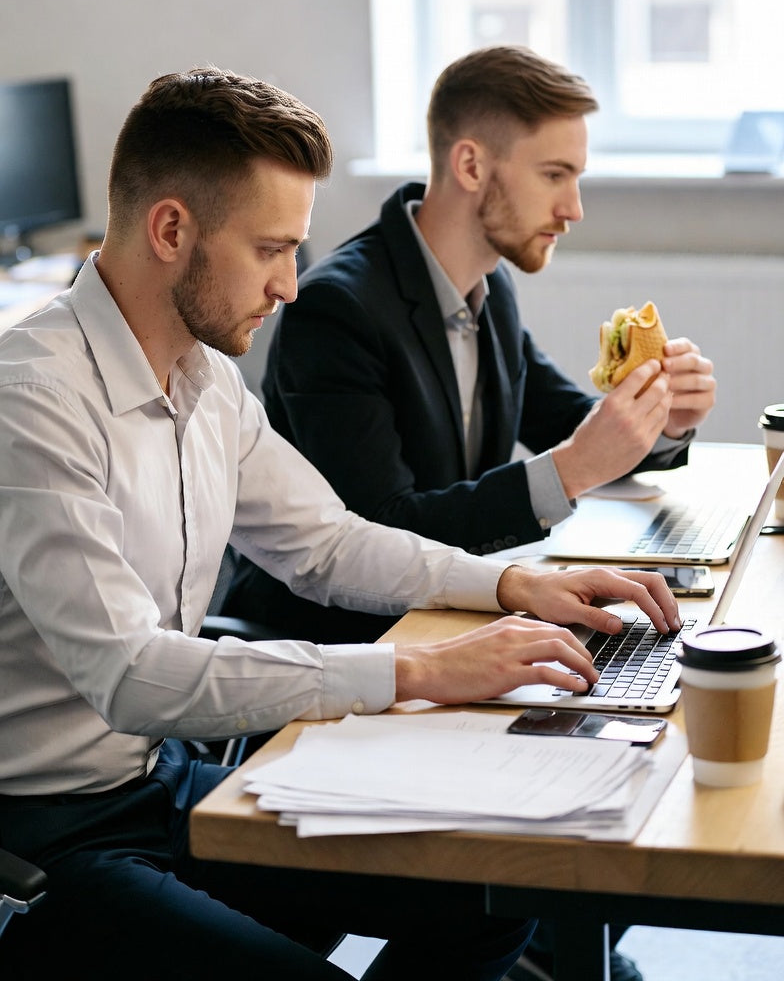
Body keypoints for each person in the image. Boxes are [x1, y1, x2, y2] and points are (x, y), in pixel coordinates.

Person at [0, 66, 683, 981]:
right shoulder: (33, 400)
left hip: (163, 784)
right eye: (271, 249)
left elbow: (325, 543)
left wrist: (510, 583)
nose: (290, 285)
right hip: (51, 833)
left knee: (486, 894)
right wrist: (419, 670)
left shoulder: (207, 383)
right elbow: (130, 675)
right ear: (171, 229)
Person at [225, 45, 717, 981]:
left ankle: (560, 951)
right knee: (566, 833)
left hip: (463, 614)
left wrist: (661, 423)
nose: (573, 207)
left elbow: (569, 423)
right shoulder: (338, 309)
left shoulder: (484, 293)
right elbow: (377, 530)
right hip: (356, 644)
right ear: (471, 166)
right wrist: (572, 470)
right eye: (557, 175)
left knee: (622, 761)